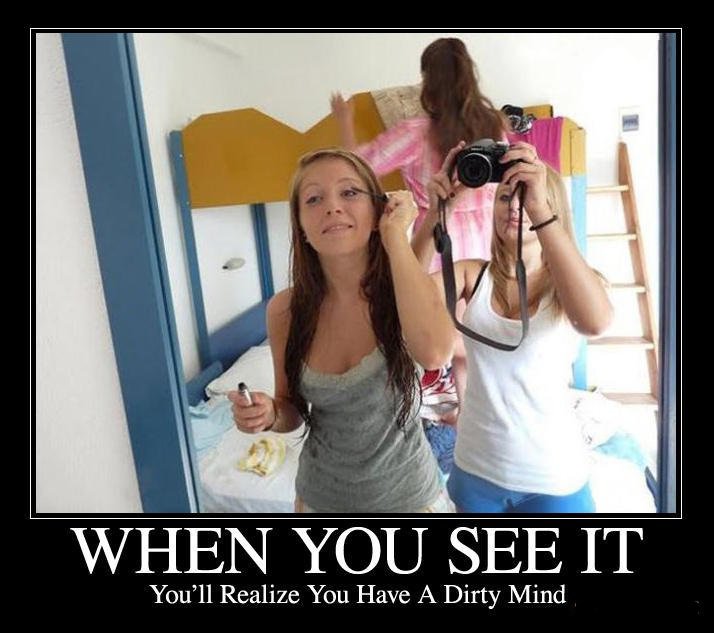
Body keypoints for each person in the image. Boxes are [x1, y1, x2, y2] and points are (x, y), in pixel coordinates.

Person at [229, 148, 455, 513]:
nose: (332, 207)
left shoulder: (403, 289)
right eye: (314, 199)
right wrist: (269, 413)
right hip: (319, 500)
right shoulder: (285, 310)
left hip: (411, 499)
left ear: (377, 210)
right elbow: (290, 409)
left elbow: (435, 353)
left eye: (349, 192)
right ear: (301, 226)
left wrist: (395, 234)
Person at [415, 140, 614, 513]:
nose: (514, 207)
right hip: (475, 469)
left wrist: (540, 209)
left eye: (527, 197)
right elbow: (403, 298)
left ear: (550, 206)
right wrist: (437, 213)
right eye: (505, 197)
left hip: (553, 476)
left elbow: (596, 322)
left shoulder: (573, 284)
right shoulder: (471, 275)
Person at [331, 37, 509, 424]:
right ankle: (470, 413)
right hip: (486, 242)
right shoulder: (494, 126)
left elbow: (357, 166)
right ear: (470, 76)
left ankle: (458, 409)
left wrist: (344, 121)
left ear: (428, 83)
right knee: (473, 332)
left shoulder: (417, 132)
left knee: (443, 336)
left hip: (437, 241)